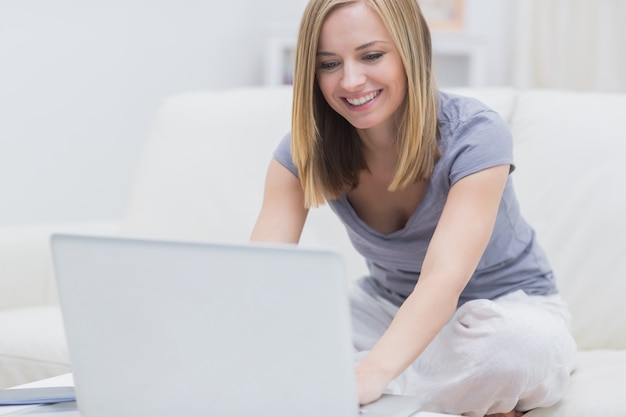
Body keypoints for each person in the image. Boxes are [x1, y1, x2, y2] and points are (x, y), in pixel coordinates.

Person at [250, 0, 577, 416]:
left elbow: (443, 281)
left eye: (371, 56)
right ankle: (453, 396)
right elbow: (259, 278)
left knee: (514, 352)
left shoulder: (476, 134)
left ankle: (337, 388)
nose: (351, 80)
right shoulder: (302, 152)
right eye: (329, 64)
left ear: (411, 52)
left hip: (504, 310)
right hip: (387, 311)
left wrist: (374, 371)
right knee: (271, 336)